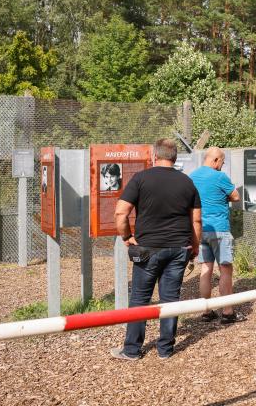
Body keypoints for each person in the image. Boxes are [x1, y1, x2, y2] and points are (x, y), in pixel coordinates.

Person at [110, 138, 202, 360]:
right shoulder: (187, 182)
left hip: (147, 248)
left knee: (140, 299)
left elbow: (120, 213)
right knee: (170, 299)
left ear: (154, 156)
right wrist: (195, 247)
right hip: (179, 247)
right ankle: (165, 349)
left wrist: (127, 236)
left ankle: (132, 350)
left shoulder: (141, 179)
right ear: (175, 158)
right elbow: (196, 221)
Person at [189, 146, 244, 324]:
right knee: (225, 269)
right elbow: (236, 197)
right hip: (219, 229)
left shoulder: (192, 176)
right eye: (222, 162)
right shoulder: (220, 176)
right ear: (215, 160)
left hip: (200, 229)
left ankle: (206, 310)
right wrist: (222, 197)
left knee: (205, 268)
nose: (222, 165)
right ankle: (227, 312)